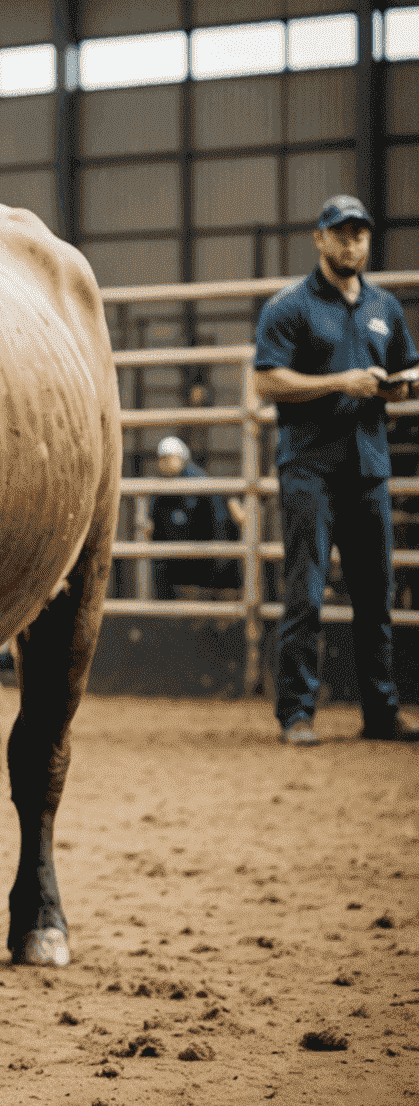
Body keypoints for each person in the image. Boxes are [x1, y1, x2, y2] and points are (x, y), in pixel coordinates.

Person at [253, 195, 419, 746]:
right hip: (309, 470)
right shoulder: (290, 307)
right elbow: (267, 381)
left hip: (368, 468)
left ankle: (381, 711)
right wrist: (340, 382)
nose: (352, 243)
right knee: (307, 593)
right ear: (319, 238)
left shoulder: (384, 308)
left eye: (360, 235)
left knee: (376, 595)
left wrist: (402, 385)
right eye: (342, 234)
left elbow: (409, 366)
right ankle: (296, 714)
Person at [147, 436, 244, 598]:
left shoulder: (197, 481)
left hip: (205, 558)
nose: (163, 463)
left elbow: (218, 521)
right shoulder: (164, 487)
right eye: (161, 459)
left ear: (180, 458)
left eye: (167, 458)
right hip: (190, 560)